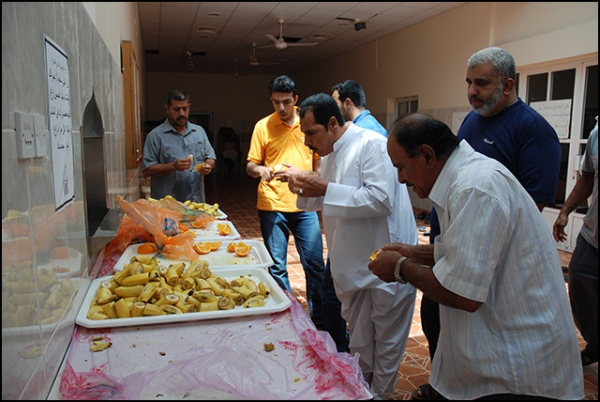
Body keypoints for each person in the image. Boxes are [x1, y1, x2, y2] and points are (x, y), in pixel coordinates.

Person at [369, 113, 583, 400]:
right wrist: (411, 252)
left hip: (520, 365)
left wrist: (400, 267)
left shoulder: (474, 188)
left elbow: (463, 293)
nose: (400, 178)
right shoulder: (464, 179)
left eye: (401, 167)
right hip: (501, 351)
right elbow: (465, 251)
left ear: (427, 155)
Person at [417, 46, 562, 400]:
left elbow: (528, 206)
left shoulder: (534, 131)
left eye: (481, 83)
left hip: (487, 265)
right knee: (437, 323)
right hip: (449, 253)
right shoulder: (472, 120)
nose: (472, 91)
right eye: (468, 82)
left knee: (485, 351)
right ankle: (445, 384)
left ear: (508, 85)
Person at [285, 93, 418, 400]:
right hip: (351, 264)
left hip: (386, 262)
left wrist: (324, 187)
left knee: (387, 345)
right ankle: (362, 391)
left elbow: (380, 199)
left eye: (311, 133)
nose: (306, 142)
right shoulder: (330, 153)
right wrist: (302, 189)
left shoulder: (372, 145)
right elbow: (330, 199)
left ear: (333, 123)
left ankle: (378, 395)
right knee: (360, 342)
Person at [246, 75, 325, 326]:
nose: (281, 108)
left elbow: (319, 165)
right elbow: (250, 164)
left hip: (305, 205)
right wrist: (260, 169)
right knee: (277, 266)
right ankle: (289, 319)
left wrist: (307, 177)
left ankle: (320, 319)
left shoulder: (309, 122)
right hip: (272, 205)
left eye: (287, 102)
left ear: (296, 99)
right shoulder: (263, 126)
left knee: (314, 264)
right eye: (276, 102)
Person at [319, 80, 391, 353]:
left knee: (378, 332)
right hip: (347, 237)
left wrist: (325, 189)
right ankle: (346, 355)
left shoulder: (370, 138)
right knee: (359, 322)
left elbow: (377, 198)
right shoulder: (338, 144)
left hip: (367, 242)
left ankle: (342, 353)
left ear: (347, 104)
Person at [553, 116, 598, 367]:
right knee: (580, 286)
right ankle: (595, 344)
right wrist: (565, 211)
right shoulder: (597, 133)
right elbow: (587, 179)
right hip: (593, 236)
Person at [142, 90, 216, 203]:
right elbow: (147, 169)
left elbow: (210, 157)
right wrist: (173, 166)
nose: (181, 113)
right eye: (176, 109)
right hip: (168, 205)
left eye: (185, 109)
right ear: (167, 109)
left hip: (196, 202)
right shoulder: (155, 136)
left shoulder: (199, 132)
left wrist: (208, 165)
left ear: (189, 107)